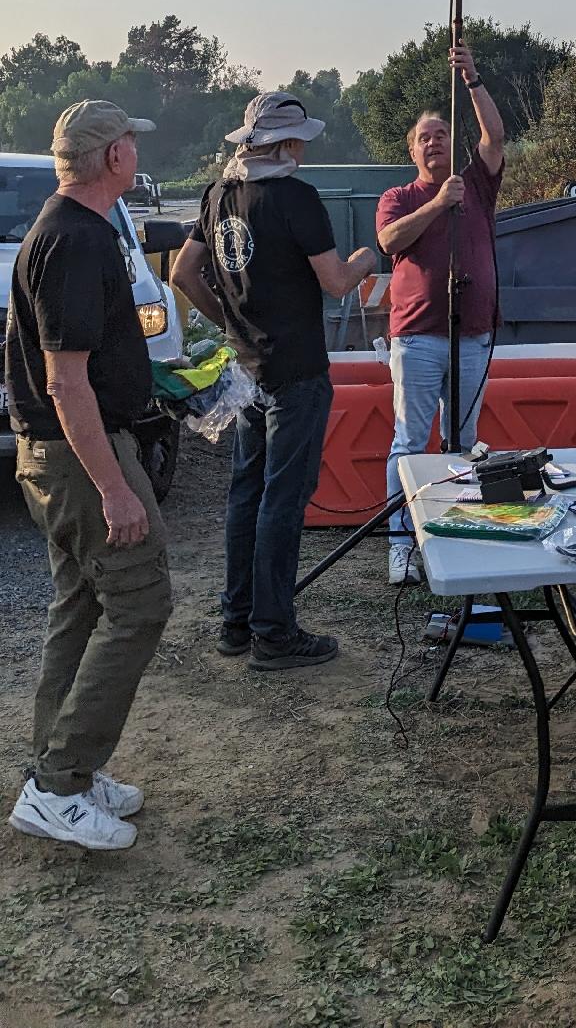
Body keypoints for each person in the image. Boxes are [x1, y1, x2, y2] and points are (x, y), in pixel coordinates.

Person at [6, 101, 172, 852]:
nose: (136, 152)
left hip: (63, 452)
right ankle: (57, 783)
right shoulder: (76, 239)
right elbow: (66, 382)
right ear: (113, 157)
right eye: (131, 141)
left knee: (79, 606)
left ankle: (60, 769)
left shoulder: (67, 228)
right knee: (140, 603)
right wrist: (114, 487)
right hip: (80, 456)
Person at [170, 92, 377, 671]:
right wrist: (367, 257)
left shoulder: (218, 193)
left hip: (246, 367)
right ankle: (275, 634)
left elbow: (185, 272)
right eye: (301, 142)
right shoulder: (296, 198)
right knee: (282, 501)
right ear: (286, 145)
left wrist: (229, 323)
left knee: (247, 494)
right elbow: (336, 281)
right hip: (296, 369)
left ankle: (236, 621)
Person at [376, 44, 504, 584]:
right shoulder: (400, 196)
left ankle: (455, 537)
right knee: (409, 442)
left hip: (472, 336)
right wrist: (436, 204)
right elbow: (389, 241)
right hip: (418, 338)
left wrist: (472, 79)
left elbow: (495, 137)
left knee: (462, 442)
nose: (434, 143)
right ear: (413, 150)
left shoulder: (476, 183)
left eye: (442, 134)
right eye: (424, 138)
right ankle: (401, 547)